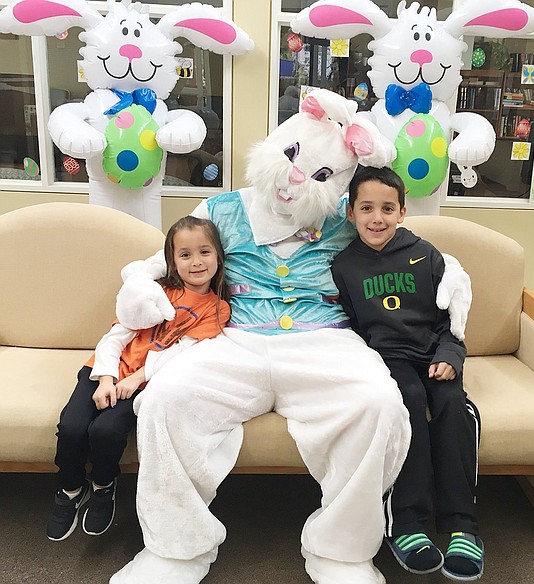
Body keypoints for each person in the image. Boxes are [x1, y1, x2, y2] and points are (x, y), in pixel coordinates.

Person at [110, 89, 471, 584]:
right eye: (294, 157)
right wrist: (138, 283)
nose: (300, 178)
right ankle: (175, 549)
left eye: (323, 174)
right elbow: (164, 260)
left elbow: (400, 241)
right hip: (235, 340)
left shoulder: (347, 215)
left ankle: (341, 551)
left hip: (325, 341)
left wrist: (450, 270)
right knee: (164, 399)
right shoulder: (222, 209)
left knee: (379, 402)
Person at [331, 165, 483, 581]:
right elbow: (344, 324)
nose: (376, 218)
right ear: (350, 213)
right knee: (407, 404)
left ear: (401, 212)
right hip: (385, 360)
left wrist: (452, 355)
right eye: (366, 208)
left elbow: (451, 319)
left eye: (386, 208)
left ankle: (461, 525)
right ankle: (408, 524)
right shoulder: (342, 266)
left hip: (434, 353)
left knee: (454, 406)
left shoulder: (427, 254)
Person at [46, 216, 230, 543]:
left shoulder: (216, 310)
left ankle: (103, 486)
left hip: (146, 383)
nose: (197, 261)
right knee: (72, 427)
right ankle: (70, 487)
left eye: (204, 251)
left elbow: (184, 353)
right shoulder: (152, 291)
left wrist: (137, 379)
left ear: (218, 255)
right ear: (172, 261)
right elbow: (116, 335)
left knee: (105, 431)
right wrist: (106, 378)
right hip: (104, 370)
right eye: (185, 254)